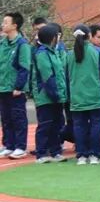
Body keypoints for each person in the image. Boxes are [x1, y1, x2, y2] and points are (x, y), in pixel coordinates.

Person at [66, 25, 100, 165]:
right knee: (96, 124)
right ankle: (95, 155)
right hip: (95, 95)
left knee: (79, 126)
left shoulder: (69, 55)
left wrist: (69, 95)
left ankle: (81, 155)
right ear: (89, 35)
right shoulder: (98, 52)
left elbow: (66, 76)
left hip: (77, 96)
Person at [30, 24, 67, 163]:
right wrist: (55, 94)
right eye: (57, 36)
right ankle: (41, 153)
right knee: (45, 125)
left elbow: (60, 73)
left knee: (56, 125)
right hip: (45, 96)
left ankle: (55, 151)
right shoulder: (42, 53)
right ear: (52, 38)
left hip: (56, 95)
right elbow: (47, 76)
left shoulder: (53, 52)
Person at [0, 12, 31, 159]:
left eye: (6, 22)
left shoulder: (22, 44)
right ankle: (8, 145)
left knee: (18, 118)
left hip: (15, 90)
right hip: (3, 87)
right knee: (6, 118)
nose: (3, 24)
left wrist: (19, 87)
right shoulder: (2, 44)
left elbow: (24, 67)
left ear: (14, 25)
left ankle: (20, 147)